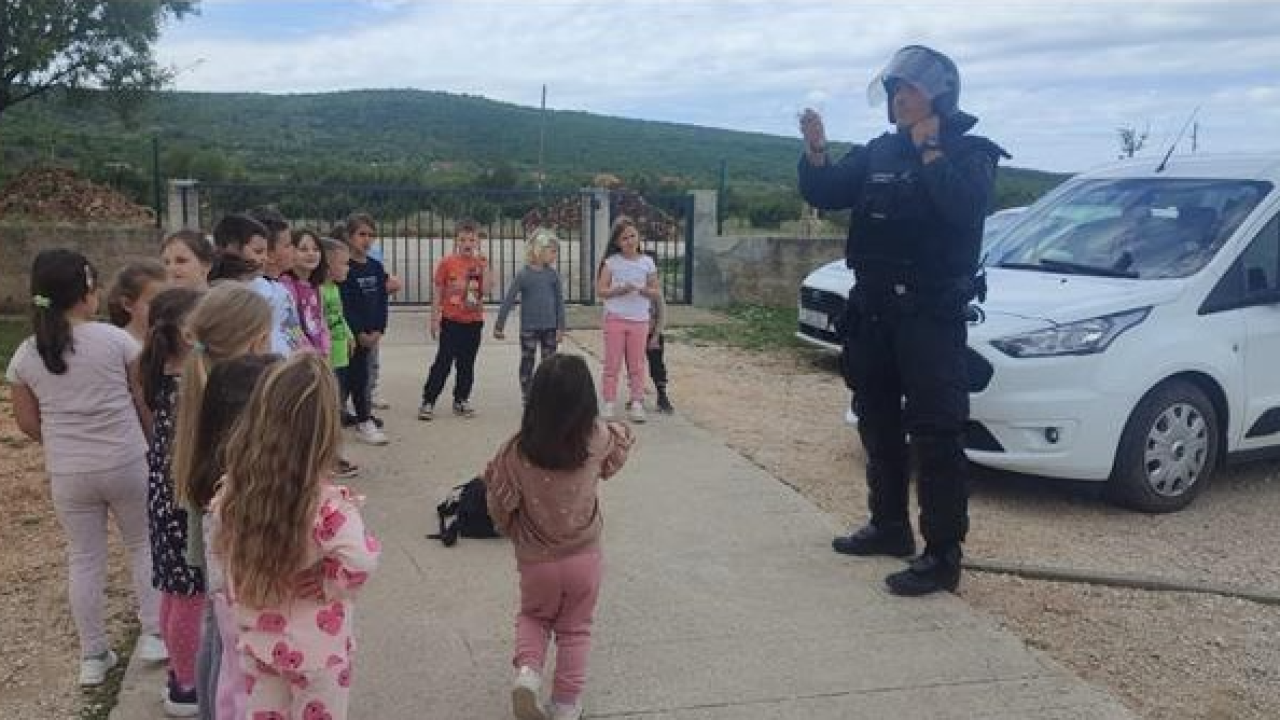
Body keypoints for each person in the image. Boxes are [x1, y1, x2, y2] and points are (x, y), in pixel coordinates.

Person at [797, 45, 1008, 596]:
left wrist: (932, 150)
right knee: (878, 420)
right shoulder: (877, 152)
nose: (897, 100)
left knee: (936, 433)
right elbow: (826, 191)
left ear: (938, 93)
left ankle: (941, 554)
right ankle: (889, 526)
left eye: (906, 90)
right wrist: (816, 152)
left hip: (931, 315)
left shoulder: (973, 152)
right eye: (892, 92)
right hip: (874, 310)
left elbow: (964, 210)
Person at [5, 249, 166, 687]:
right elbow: (142, 399)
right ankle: (154, 633)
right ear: (87, 292)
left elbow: (25, 422)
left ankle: (93, 655)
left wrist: (61, 442)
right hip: (126, 459)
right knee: (142, 544)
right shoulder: (115, 340)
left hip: (69, 472)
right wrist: (155, 444)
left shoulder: (25, 354)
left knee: (84, 557)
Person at [214, 353, 381, 720]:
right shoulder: (328, 507)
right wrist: (328, 582)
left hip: (259, 639)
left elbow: (222, 548)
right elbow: (361, 558)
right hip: (319, 652)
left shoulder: (236, 492)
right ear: (325, 432)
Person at [484, 354, 635, 720]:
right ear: (586, 401)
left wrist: (509, 527)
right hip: (584, 556)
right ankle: (566, 705)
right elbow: (619, 452)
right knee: (576, 630)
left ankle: (528, 673)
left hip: (537, 560)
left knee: (534, 618)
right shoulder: (597, 437)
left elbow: (498, 500)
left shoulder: (517, 450)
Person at [170, 284, 275, 720]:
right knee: (230, 642)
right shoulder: (246, 397)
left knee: (215, 629)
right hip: (236, 539)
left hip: (205, 533)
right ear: (256, 341)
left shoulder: (196, 382)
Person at [135, 286, 206, 716]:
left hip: (165, 497)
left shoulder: (161, 371)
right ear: (188, 332)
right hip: (183, 502)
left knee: (173, 591)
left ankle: (177, 675)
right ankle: (185, 683)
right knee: (188, 594)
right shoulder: (188, 386)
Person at [419, 219, 491, 420]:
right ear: (457, 241)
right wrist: (434, 319)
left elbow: (486, 291)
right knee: (443, 362)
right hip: (451, 321)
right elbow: (438, 291)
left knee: (467, 363)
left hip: (473, 321)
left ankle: (461, 398)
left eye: (472, 239)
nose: (467, 243)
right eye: (463, 239)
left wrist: (486, 268)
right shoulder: (447, 263)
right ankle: (429, 400)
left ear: (478, 242)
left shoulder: (480, 264)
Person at [595, 216, 658, 423]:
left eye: (632, 236)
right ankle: (609, 402)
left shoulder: (647, 262)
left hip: (640, 320)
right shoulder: (611, 263)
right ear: (617, 242)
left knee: (637, 364)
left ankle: (637, 402)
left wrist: (643, 290)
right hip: (615, 319)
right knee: (612, 363)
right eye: (624, 238)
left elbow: (655, 290)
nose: (630, 241)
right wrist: (619, 290)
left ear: (639, 236)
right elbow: (601, 291)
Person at [494, 227, 566, 401]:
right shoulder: (523, 275)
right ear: (538, 250)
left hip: (550, 326)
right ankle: (527, 393)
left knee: (549, 363)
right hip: (529, 327)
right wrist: (499, 325)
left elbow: (559, 302)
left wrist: (561, 326)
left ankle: (547, 394)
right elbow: (509, 300)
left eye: (556, 252)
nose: (555, 255)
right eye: (552, 251)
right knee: (527, 360)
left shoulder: (553, 275)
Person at [338, 212, 390, 445]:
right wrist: (358, 332)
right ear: (349, 237)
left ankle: (364, 419)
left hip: (371, 335)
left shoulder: (376, 268)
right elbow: (345, 304)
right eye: (361, 234)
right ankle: (341, 417)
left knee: (363, 378)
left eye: (371, 235)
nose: (366, 240)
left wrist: (379, 329)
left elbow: (381, 301)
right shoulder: (343, 269)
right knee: (342, 381)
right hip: (349, 337)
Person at [321, 237, 360, 479]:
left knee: (337, 407)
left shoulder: (334, 288)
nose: (348, 268)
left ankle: (334, 454)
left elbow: (338, 316)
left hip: (340, 355)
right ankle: (328, 457)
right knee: (329, 410)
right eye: (343, 263)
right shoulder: (320, 290)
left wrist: (348, 334)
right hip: (327, 358)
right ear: (328, 265)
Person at [248, 207, 306, 355]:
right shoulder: (258, 290)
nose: (294, 249)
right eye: (287, 245)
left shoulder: (278, 287)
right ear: (269, 254)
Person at [283, 228, 332, 355]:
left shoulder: (316, 286)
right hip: (300, 355)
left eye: (316, 249)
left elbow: (321, 322)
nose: (311, 253)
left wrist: (325, 349)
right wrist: (309, 353)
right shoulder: (286, 284)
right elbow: (292, 326)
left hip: (319, 354)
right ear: (291, 252)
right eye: (303, 249)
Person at [106, 259, 168, 347]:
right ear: (127, 304)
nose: (165, 308)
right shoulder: (116, 344)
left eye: (168, 300)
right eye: (156, 303)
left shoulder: (169, 343)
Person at [645, 282, 675, 414]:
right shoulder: (629, 288)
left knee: (656, 364)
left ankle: (662, 395)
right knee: (634, 365)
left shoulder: (654, 290)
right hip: (633, 333)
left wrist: (656, 335)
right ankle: (635, 396)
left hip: (651, 333)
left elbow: (662, 314)